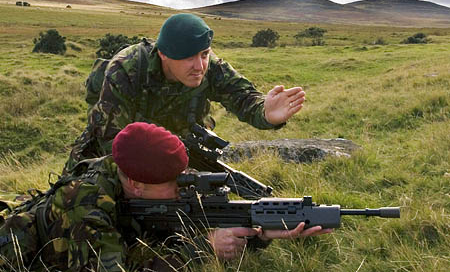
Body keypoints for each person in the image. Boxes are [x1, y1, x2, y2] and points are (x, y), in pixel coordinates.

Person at [0, 123, 330, 271]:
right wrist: (204, 249)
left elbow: (171, 232)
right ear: (137, 184)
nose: (183, 187)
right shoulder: (85, 207)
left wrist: (261, 231)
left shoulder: (136, 180)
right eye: (173, 182)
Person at [64, 13, 306, 172]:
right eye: (189, 57)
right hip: (121, 153)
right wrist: (160, 175)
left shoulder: (210, 66)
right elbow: (111, 140)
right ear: (164, 55)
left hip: (181, 151)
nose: (199, 66)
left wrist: (265, 111)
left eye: (203, 54)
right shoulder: (126, 69)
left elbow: (242, 97)